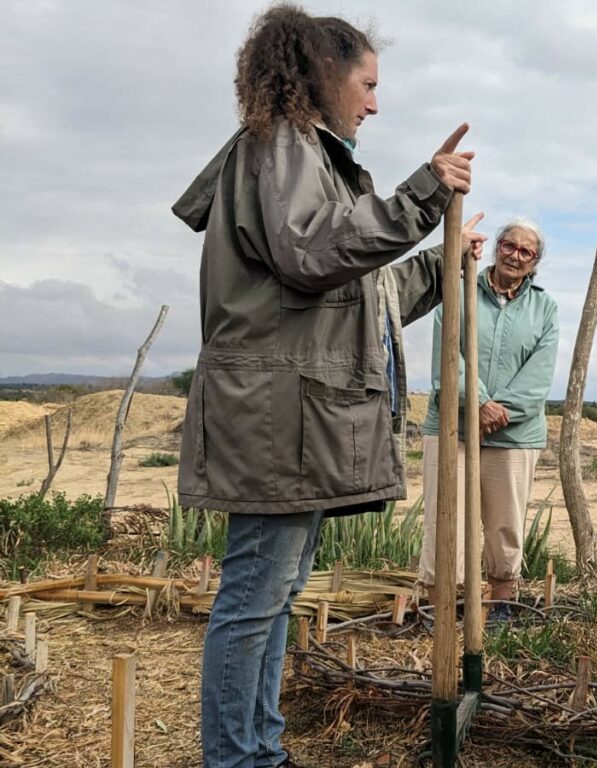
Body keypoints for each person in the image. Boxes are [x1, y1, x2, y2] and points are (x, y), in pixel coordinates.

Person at [170, 6, 484, 766]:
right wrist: (422, 194)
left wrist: (441, 264)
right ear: (323, 74)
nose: (375, 103)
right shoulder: (283, 146)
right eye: (367, 84)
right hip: (277, 417)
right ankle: (239, 759)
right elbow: (314, 255)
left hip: (292, 416)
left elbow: (361, 295)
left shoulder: (308, 157)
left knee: (273, 596)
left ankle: (260, 750)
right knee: (255, 598)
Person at [418, 218, 559, 621]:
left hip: (514, 434)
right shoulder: (458, 290)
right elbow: (447, 356)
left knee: (505, 524)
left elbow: (537, 379)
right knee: (445, 519)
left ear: (535, 262)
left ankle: (500, 607)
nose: (515, 255)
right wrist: (477, 403)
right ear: (496, 248)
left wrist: (497, 412)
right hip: (453, 427)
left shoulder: (545, 308)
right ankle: (442, 612)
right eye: (509, 246)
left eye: (526, 251)